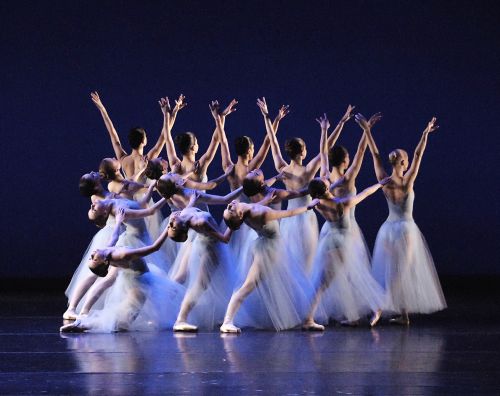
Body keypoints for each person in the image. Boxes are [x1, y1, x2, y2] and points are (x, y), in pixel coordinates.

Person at [356, 114, 446, 325]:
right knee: (401, 271)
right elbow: (418, 153)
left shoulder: (384, 180)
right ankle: (380, 307)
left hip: (388, 229)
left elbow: (375, 155)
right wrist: (425, 134)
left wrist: (367, 131)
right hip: (406, 229)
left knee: (395, 269)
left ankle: (404, 315)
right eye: (406, 159)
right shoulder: (407, 181)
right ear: (404, 163)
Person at [303, 114, 388, 331]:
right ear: (345, 161)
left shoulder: (324, 179)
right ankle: (368, 308)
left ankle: (371, 306)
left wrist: (323, 130)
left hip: (331, 232)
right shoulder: (347, 180)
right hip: (346, 231)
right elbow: (361, 153)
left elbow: (323, 153)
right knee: (347, 273)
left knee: (349, 273)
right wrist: (365, 130)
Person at [256, 98, 354, 273]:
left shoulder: (282, 168)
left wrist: (267, 117)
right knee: (307, 265)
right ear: (302, 151)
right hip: (305, 218)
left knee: (291, 264)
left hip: (288, 218)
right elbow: (327, 148)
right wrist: (340, 123)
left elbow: (273, 142)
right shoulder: (308, 170)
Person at [60, 209, 184, 333]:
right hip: (140, 283)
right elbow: (154, 247)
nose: (92, 254)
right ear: (103, 262)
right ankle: (83, 325)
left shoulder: (106, 251)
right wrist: (169, 227)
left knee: (125, 321)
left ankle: (83, 324)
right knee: (121, 323)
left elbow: (114, 236)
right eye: (94, 258)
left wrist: (119, 221)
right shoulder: (123, 254)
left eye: (91, 258)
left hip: (131, 278)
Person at [219, 192, 319, 333]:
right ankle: (227, 321)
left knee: (281, 283)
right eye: (230, 210)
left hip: (265, 245)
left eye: (228, 207)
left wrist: (265, 200)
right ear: (240, 215)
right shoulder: (262, 213)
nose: (230, 205)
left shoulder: (246, 210)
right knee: (248, 285)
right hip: (267, 249)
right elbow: (289, 213)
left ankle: (305, 318)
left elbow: (252, 208)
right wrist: (308, 206)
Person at [208, 99, 288, 261]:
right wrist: (276, 119)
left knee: (236, 259)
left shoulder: (228, 168)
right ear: (250, 150)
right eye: (252, 148)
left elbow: (222, 141)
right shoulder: (251, 168)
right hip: (251, 218)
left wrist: (218, 119)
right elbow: (268, 142)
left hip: (234, 219)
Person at [165, 193, 236, 332]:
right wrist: (233, 224)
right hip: (211, 249)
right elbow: (225, 239)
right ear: (182, 227)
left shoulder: (183, 214)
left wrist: (193, 198)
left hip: (203, 244)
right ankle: (181, 319)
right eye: (173, 225)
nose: (172, 221)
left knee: (214, 284)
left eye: (170, 224)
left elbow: (190, 206)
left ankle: (221, 315)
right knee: (200, 285)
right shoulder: (200, 223)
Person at [90, 92, 174, 181]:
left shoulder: (123, 160)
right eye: (146, 136)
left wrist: (102, 108)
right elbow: (164, 135)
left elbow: (112, 132)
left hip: (126, 195)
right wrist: (168, 115)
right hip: (146, 195)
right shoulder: (147, 160)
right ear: (143, 142)